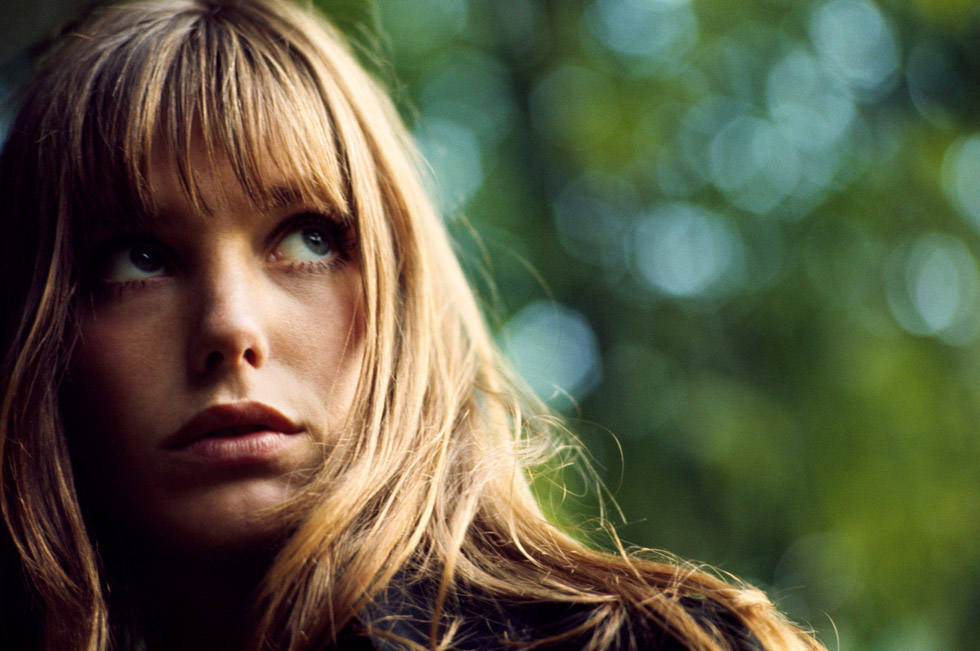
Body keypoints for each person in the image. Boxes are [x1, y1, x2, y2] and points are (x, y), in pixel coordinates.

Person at [0, 1, 826, 649]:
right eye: (138, 259)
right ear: (38, 335)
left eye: (307, 239)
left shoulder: (668, 643)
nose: (231, 327)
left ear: (403, 289)